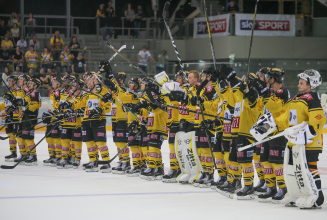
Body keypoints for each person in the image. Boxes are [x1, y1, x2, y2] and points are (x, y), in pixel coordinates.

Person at [12, 78, 42, 165]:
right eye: (29, 83)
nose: (29, 85)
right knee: (20, 136)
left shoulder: (35, 94)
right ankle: (23, 154)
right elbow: (24, 103)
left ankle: (33, 156)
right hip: (24, 117)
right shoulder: (29, 94)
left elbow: (34, 107)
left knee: (28, 137)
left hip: (30, 117)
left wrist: (23, 103)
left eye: (31, 83)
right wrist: (18, 102)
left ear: (35, 85)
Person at [0, 75, 19, 162]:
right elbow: (5, 104)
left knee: (18, 136)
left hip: (15, 117)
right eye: (8, 80)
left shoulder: (18, 91)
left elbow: (18, 103)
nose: (9, 82)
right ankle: (13, 152)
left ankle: (25, 154)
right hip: (8, 117)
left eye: (10, 80)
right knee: (10, 135)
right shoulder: (9, 92)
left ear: (15, 81)